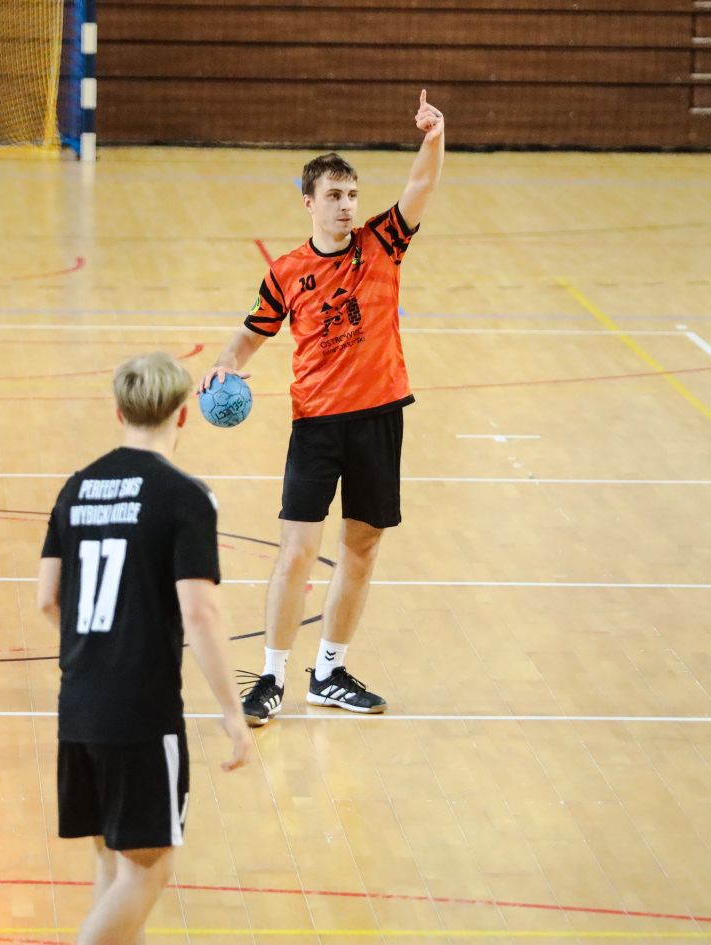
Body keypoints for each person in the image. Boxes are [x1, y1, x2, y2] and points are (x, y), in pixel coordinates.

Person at [199, 90, 445, 726]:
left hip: (380, 416)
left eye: (352, 195)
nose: (346, 206)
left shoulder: (383, 243)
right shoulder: (287, 271)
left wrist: (433, 136)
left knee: (362, 548)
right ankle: (272, 677)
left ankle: (329, 673)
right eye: (334, 196)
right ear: (308, 202)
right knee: (296, 552)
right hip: (316, 424)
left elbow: (421, 185)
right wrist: (226, 363)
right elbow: (252, 333)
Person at [38, 352, 252, 945]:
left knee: (113, 862)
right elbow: (200, 612)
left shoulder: (76, 488)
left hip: (79, 703)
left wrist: (97, 650)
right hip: (141, 710)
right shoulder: (184, 496)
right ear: (183, 415)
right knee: (149, 869)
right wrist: (233, 713)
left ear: (119, 412)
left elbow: (47, 598)